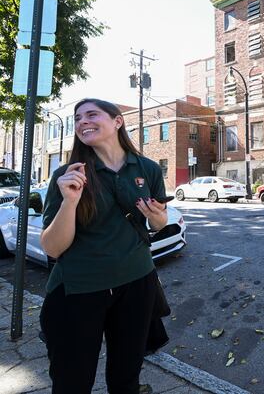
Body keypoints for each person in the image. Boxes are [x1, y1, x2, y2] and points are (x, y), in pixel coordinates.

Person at [39, 98, 169, 394]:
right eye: (78, 117)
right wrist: (70, 201)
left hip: (137, 283)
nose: (82, 121)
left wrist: (159, 218)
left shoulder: (147, 168)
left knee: (126, 377)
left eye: (92, 114)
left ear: (117, 121)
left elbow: (159, 224)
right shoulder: (67, 175)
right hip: (79, 290)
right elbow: (53, 248)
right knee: (72, 381)